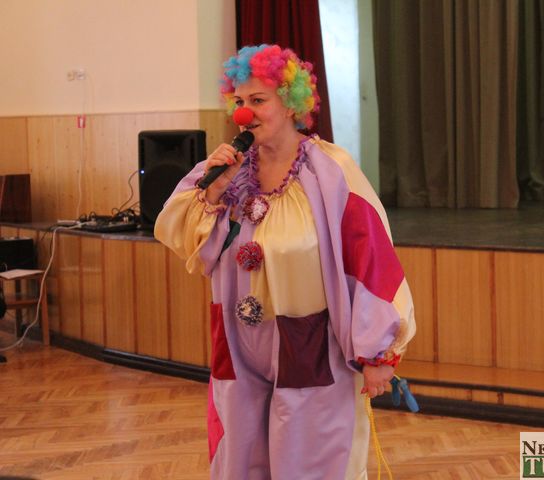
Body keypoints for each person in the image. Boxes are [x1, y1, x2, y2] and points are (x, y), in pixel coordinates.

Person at [154, 44, 415, 480]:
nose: (244, 113)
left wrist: (379, 350)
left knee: (309, 463)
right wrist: (212, 191)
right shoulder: (225, 170)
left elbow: (372, 261)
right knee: (240, 460)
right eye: (239, 101)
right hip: (237, 343)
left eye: (258, 100)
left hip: (309, 345)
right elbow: (182, 236)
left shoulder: (331, 170)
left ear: (291, 104)